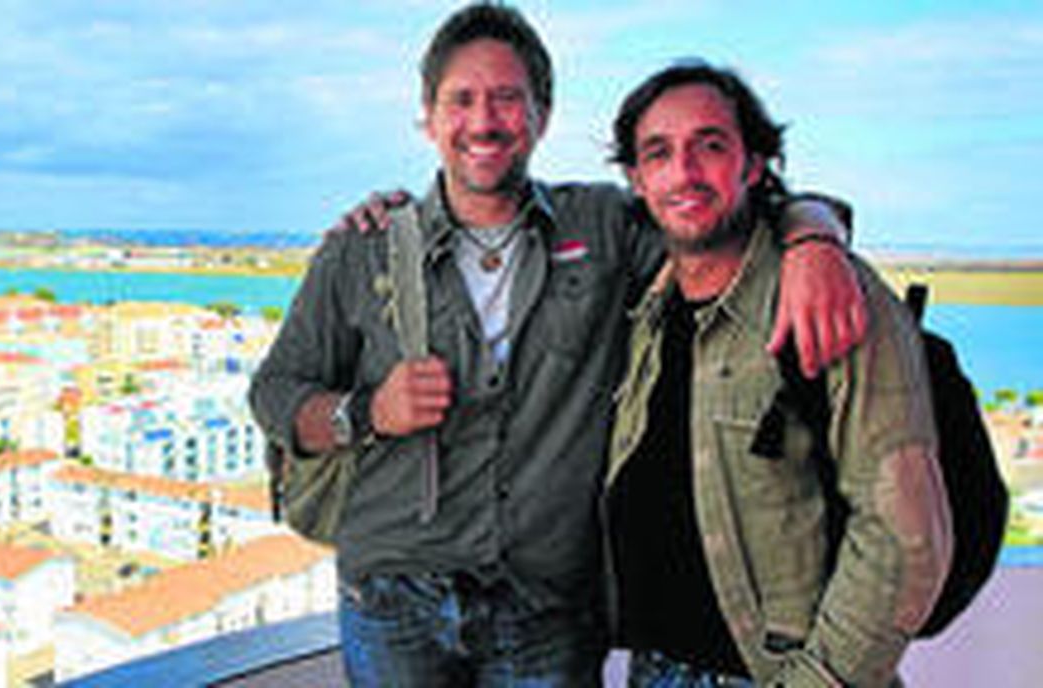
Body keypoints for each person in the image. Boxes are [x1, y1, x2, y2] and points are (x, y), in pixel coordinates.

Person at [249, 3, 864, 686]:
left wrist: (812, 233)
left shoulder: (601, 227)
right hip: (393, 602)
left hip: (547, 607)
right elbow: (276, 395)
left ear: (541, 115)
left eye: (507, 99)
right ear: (427, 116)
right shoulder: (361, 250)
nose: (484, 121)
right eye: (461, 100)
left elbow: (713, 211)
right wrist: (365, 413)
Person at [603, 61, 952, 687]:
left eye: (710, 146)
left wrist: (818, 681)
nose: (683, 172)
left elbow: (905, 538)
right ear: (637, 179)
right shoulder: (646, 309)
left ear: (754, 164)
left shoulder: (833, 301)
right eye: (659, 153)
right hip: (654, 671)